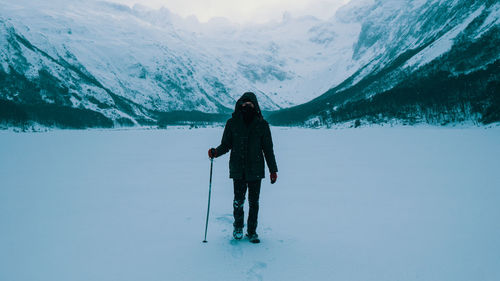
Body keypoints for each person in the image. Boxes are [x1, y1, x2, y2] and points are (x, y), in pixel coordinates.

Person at [208, 92, 278, 243]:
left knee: (254, 203)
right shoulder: (232, 123)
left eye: (250, 104)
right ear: (240, 105)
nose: (247, 106)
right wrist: (215, 152)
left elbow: (268, 149)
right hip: (238, 169)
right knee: (238, 201)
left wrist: (273, 170)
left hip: (256, 170)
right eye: (244, 104)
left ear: (255, 106)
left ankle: (252, 231)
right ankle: (238, 228)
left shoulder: (262, 125)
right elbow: (226, 145)